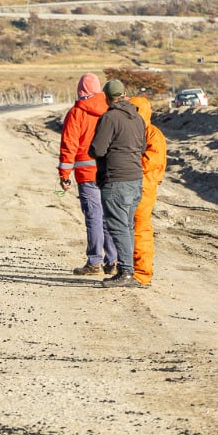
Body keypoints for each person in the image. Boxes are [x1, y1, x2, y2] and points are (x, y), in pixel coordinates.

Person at [88, 79, 147, 288]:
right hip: (135, 178)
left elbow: (98, 150)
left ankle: (127, 272)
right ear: (124, 94)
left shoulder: (110, 118)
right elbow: (142, 148)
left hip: (116, 179)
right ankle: (125, 269)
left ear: (107, 96)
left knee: (118, 227)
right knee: (128, 226)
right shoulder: (138, 118)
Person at [61, 74, 115, 277]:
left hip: (87, 174)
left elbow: (69, 145)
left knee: (94, 217)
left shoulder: (76, 113)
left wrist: (64, 174)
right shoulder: (111, 108)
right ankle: (113, 261)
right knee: (109, 217)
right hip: (110, 172)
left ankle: (94, 262)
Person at [127, 94, 166, 288]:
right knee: (128, 229)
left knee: (140, 229)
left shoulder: (152, 134)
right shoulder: (142, 132)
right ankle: (130, 269)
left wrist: (127, 166)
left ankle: (142, 273)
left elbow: (151, 162)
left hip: (144, 186)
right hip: (134, 184)